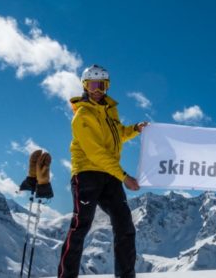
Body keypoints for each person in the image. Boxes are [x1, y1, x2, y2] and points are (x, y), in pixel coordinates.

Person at [58, 64, 149, 278]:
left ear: (106, 86)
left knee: (125, 226)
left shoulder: (110, 111)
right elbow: (96, 153)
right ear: (85, 86)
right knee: (80, 227)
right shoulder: (82, 115)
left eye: (101, 85)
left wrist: (135, 129)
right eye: (92, 85)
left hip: (110, 176)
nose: (96, 89)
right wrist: (124, 176)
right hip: (87, 173)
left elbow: (118, 136)